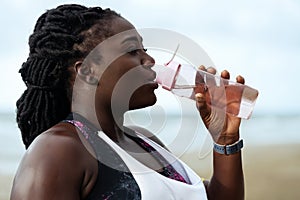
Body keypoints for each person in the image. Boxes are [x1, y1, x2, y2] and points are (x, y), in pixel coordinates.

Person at [11, 4, 245, 200]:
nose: (150, 60)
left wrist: (224, 139)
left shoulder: (145, 141)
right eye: (133, 50)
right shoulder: (58, 151)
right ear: (89, 71)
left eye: (145, 49)